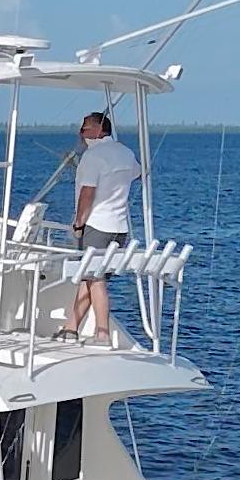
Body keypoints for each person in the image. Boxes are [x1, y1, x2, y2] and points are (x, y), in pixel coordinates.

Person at [55, 110, 141, 346]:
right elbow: (137, 173)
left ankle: (102, 334)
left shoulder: (93, 156)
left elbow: (87, 194)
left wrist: (78, 224)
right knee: (89, 277)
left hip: (97, 224)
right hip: (119, 227)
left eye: (84, 129)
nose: (80, 134)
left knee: (95, 279)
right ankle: (71, 328)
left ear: (98, 130)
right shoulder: (125, 152)